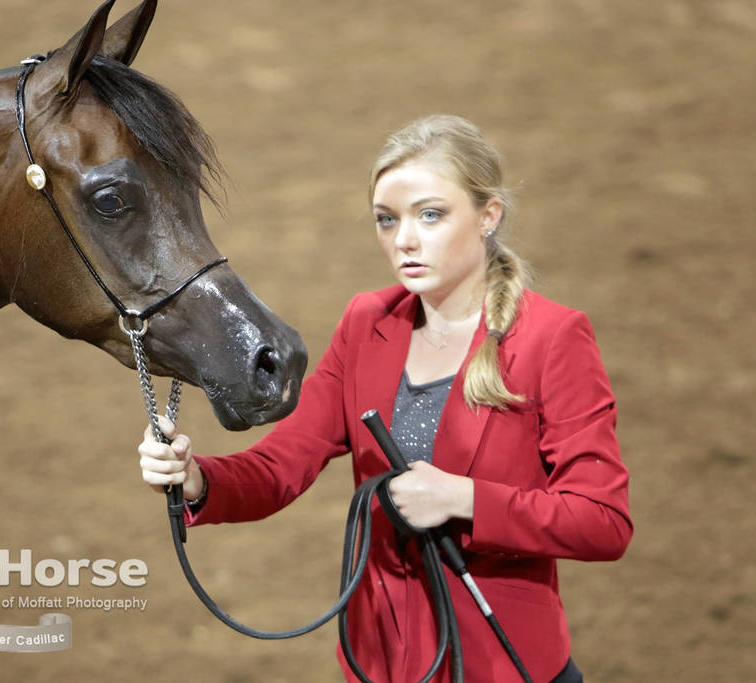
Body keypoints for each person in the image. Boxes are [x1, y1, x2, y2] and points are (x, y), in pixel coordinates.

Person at [138, 114, 632, 682]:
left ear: (488, 215)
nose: (405, 240)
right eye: (386, 220)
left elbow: (603, 521)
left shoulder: (551, 337)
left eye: (430, 215)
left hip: (503, 666)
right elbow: (282, 465)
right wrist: (195, 477)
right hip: (382, 663)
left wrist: (464, 498)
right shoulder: (366, 322)